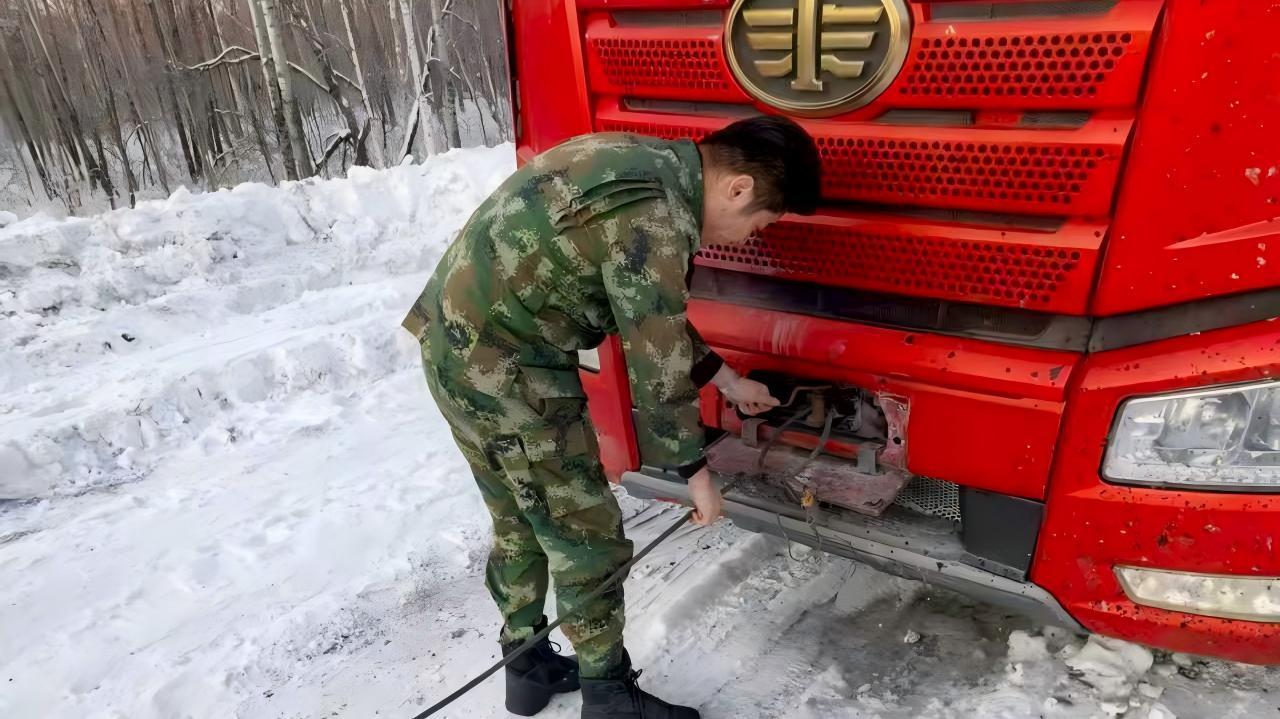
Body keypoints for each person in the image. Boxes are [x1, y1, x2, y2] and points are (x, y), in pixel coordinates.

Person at [403, 116, 821, 718]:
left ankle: (526, 666)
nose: (744, 237)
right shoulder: (657, 217)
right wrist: (695, 472)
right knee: (585, 537)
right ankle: (609, 697)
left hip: (453, 351)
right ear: (739, 188)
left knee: (520, 515)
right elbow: (656, 365)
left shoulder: (630, 159)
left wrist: (725, 380)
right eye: (759, 224)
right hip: (515, 377)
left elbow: (646, 311)